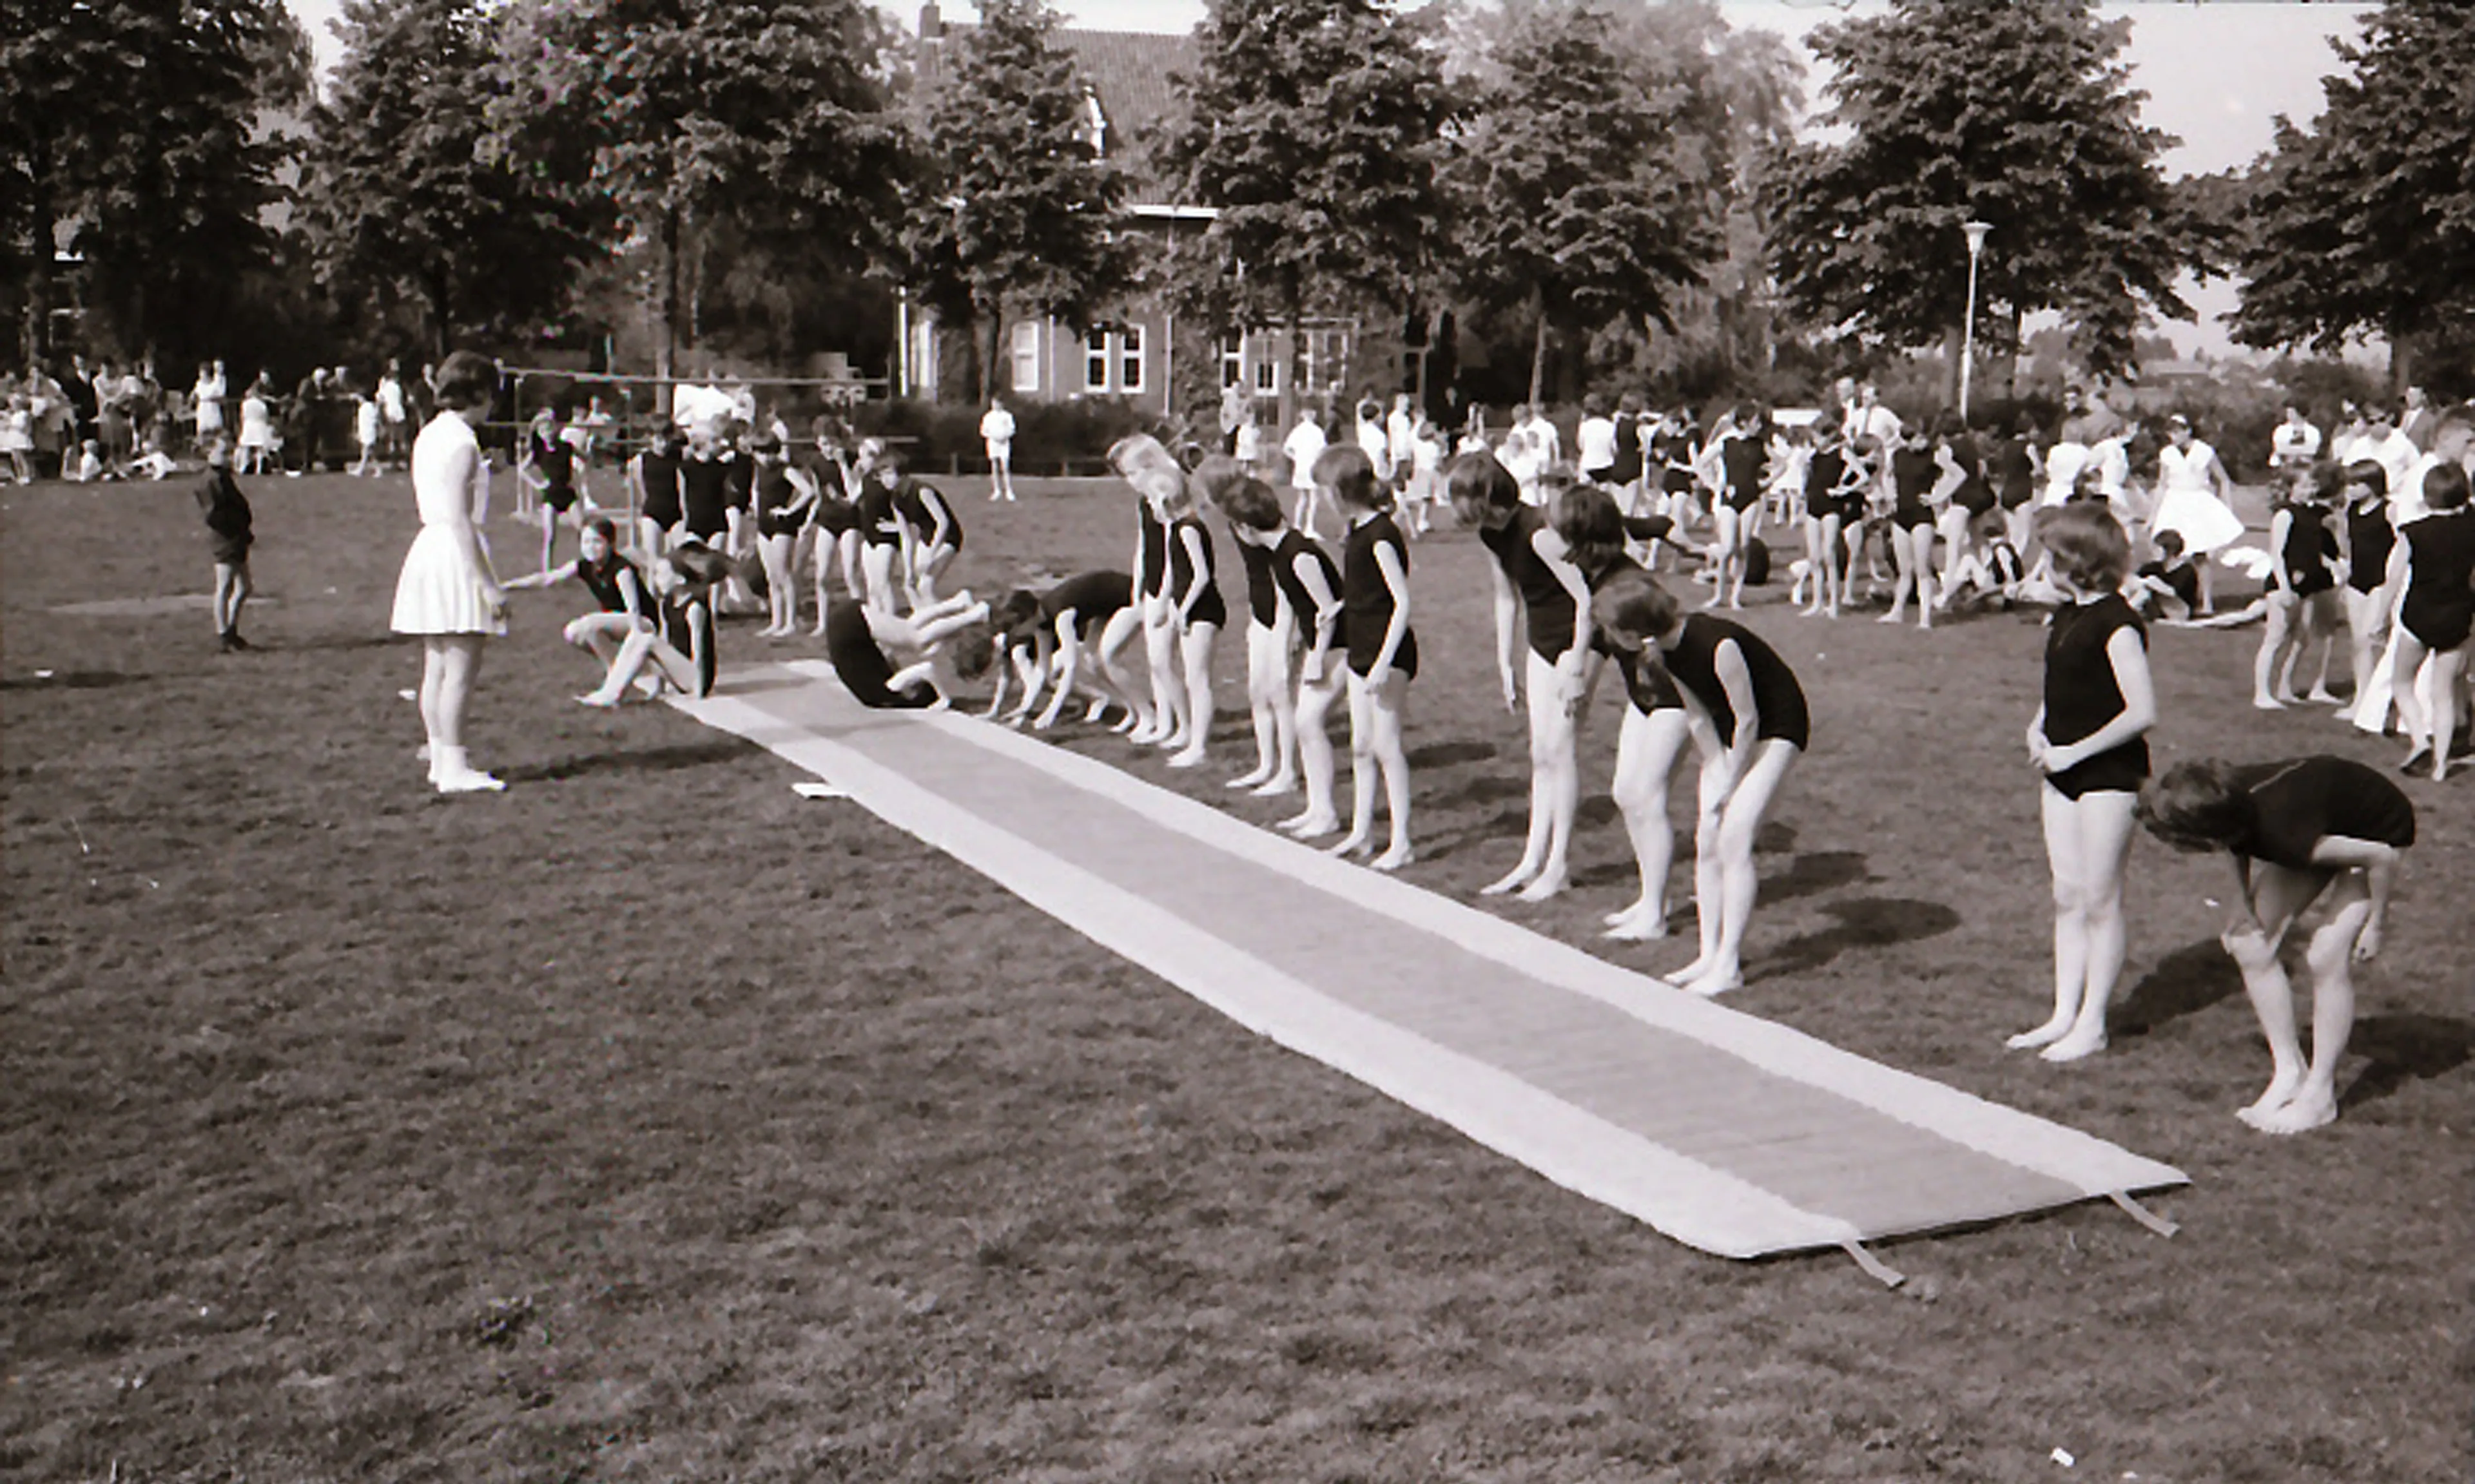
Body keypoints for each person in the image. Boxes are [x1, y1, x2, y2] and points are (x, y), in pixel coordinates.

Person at [2137, 756, 2412, 1134]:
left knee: (2324, 955)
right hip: (2315, 822)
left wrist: (2376, 924)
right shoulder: (2231, 801)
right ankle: (2290, 1072)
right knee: (2247, 942)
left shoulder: (2282, 833)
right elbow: (2235, 842)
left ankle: (2320, 1096)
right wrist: (2240, 902)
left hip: (2374, 835)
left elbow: (2380, 857)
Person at [1592, 571, 1806, 996]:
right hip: (1727, 735)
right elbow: (1697, 715)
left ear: (1634, 632)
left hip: (1777, 728)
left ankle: (1729, 964)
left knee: (1735, 836)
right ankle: (1708, 954)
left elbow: (1748, 718)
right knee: (1706, 838)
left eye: (1614, 630)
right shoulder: (1663, 653)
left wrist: (1732, 779)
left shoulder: (1716, 643)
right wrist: (1715, 768)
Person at [2014, 503, 2155, 1061]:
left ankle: (2093, 1022)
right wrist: (2038, 726)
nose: (2044, 563)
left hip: (2107, 774)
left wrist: (2074, 752)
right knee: (2066, 894)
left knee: (2100, 898)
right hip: (2062, 769)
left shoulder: (2118, 624)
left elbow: (2141, 711)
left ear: (2079, 561)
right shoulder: (2067, 615)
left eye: (2052, 554)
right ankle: (2062, 1014)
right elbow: (2061, 689)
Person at [1454, 453, 1594, 901]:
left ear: (1489, 496)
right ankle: (1532, 859)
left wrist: (1577, 659)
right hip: (1542, 641)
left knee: (1561, 748)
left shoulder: (1539, 533)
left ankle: (1560, 865)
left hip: (1581, 639)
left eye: (1463, 496)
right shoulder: (1491, 534)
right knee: (1541, 753)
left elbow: (1586, 596)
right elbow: (1506, 597)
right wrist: (1505, 661)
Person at [1558, 487, 1692, 941]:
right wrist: (1579, 671)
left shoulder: (1627, 582)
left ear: (1583, 536)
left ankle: (1655, 913)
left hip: (1674, 696)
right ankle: (1650, 896)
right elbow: (1591, 623)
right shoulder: (1597, 572)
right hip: (1644, 697)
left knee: (1645, 797)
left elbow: (1668, 642)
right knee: (1625, 792)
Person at [389, 351, 509, 794]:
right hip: (455, 549)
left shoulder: (432, 434)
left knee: (436, 664)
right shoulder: (463, 442)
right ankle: (454, 765)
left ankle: (441, 757)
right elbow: (460, 517)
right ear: (477, 394)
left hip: (430, 545)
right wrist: (488, 585)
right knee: (460, 665)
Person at [1325, 444, 1416, 871]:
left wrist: (1383, 662)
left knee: (1386, 746)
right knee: (1361, 745)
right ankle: (1362, 833)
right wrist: (1341, 608)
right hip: (1361, 647)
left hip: (1387, 651)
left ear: (1343, 491)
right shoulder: (1357, 532)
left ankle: (1402, 840)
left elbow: (1400, 601)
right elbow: (1367, 591)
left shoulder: (1381, 535)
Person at [1199, 461, 1300, 793]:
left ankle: (1287, 770)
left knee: (1280, 692)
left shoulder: (1257, 517)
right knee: (1258, 690)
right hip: (1261, 609)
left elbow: (1282, 576)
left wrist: (1286, 632)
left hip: (1282, 610)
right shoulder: (1235, 519)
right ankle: (1266, 763)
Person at [2385, 462, 2475, 781]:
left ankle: (2420, 740)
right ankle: (2440, 766)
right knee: (2444, 693)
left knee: (2402, 682)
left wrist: (2379, 617)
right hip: (2458, 614)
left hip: (2419, 613)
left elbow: (2394, 578)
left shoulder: (2414, 532)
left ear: (2427, 496)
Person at [576, 541, 728, 706]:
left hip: (695, 676)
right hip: (676, 673)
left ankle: (613, 696)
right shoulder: (667, 603)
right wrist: (659, 688)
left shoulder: (694, 608)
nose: (656, 580)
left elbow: (700, 651)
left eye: (662, 575)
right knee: (638, 637)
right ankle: (608, 691)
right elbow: (664, 644)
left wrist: (699, 690)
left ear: (679, 580)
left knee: (647, 639)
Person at [503, 516, 655, 681]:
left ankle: (618, 676)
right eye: (586, 542)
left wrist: (637, 642)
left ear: (611, 544)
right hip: (618, 621)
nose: (591, 547)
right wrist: (508, 586)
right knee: (574, 633)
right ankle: (618, 672)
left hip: (642, 622)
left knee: (589, 626)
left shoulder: (621, 570)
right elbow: (547, 579)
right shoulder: (583, 566)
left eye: (597, 542)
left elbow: (634, 608)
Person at [2253, 465, 2342, 709]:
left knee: (2301, 638)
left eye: (2312, 486)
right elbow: (2278, 553)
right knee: (2275, 637)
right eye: (2303, 486)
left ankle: (2285, 687)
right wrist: (2283, 587)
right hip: (2285, 583)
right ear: (2291, 488)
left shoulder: (2318, 514)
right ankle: (2262, 693)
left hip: (2309, 584)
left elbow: (2324, 548)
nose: (2309, 491)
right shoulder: (2285, 514)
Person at [823, 590, 992, 710]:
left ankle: (971, 612)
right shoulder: (880, 691)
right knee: (911, 631)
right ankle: (963, 607)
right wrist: (943, 699)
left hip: (849, 625)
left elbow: (926, 669)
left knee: (916, 638)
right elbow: (921, 667)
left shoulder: (886, 693)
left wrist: (943, 698)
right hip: (843, 623)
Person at [1158, 474, 1225, 767]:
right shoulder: (1177, 528)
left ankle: (1199, 746)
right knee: (1191, 676)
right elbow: (1178, 573)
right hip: (1188, 605)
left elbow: (1201, 575)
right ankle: (1193, 740)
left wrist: (1184, 610)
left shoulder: (1189, 528)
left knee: (1198, 679)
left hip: (1202, 609)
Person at [2148, 414, 2243, 615]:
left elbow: (2223, 480)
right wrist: (2153, 514)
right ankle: (2167, 601)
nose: (2173, 436)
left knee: (2200, 554)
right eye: (2170, 432)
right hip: (2174, 502)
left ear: (2188, 430)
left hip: (2198, 502)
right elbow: (2162, 484)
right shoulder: (2167, 454)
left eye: (2177, 431)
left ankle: (2206, 602)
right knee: (2167, 551)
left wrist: (2226, 506)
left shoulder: (2204, 451)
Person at [2335, 459, 2396, 726]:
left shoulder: (2389, 510)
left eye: (2355, 483)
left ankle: (2379, 698)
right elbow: (2348, 545)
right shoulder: (2351, 510)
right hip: (2357, 581)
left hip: (2380, 582)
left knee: (2374, 639)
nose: (2350, 488)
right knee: (2359, 642)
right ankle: (2361, 697)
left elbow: (2400, 546)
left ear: (2372, 484)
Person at [746, 434, 815, 637]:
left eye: (770, 452)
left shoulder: (785, 469)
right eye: (761, 453)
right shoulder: (758, 470)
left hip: (782, 527)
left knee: (784, 574)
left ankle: (791, 621)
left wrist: (789, 511)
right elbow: (756, 492)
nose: (766, 457)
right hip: (763, 526)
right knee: (771, 577)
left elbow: (809, 491)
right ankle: (776, 621)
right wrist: (755, 510)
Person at [194, 439, 255, 651]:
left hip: (236, 536)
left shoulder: (222, 477)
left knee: (244, 587)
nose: (228, 456)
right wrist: (234, 529)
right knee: (225, 586)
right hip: (225, 537)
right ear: (209, 454)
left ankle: (231, 630)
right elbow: (214, 514)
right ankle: (223, 633)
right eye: (222, 452)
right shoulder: (210, 481)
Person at [518, 404, 581, 576]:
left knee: (583, 529)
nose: (547, 433)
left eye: (549, 429)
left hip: (567, 493)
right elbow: (522, 470)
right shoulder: (538, 452)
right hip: (551, 495)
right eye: (543, 430)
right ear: (539, 433)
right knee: (550, 536)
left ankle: (589, 565)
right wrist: (537, 484)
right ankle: (547, 571)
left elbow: (584, 457)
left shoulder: (566, 447)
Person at [895, 470, 963, 606]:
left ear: (903, 475)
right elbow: (906, 537)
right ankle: (926, 619)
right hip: (926, 537)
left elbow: (943, 523)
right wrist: (908, 570)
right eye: (880, 476)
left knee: (925, 585)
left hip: (947, 537)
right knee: (911, 585)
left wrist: (932, 555)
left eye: (888, 474)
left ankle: (958, 607)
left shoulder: (923, 491)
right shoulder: (896, 499)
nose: (884, 480)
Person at [1283, 408, 1329, 535]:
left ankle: (1297, 525)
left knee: (1302, 498)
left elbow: (1286, 449)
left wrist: (1296, 458)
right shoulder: (1317, 431)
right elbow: (1323, 450)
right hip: (1312, 467)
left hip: (1300, 467)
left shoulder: (1297, 431)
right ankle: (1309, 527)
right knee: (1314, 498)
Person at [237, 376, 275, 476]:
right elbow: (265, 417)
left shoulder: (245, 404)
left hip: (249, 425)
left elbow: (243, 416)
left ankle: (242, 467)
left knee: (245, 448)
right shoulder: (262, 405)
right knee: (260, 449)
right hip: (259, 426)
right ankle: (259, 469)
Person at [980, 396, 1016, 501]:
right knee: (994, 467)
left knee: (1005, 467)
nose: (996, 405)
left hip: (1004, 443)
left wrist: (1004, 436)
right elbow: (983, 431)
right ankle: (996, 490)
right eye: (994, 403)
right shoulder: (988, 417)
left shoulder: (1007, 416)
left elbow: (1012, 429)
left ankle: (1009, 491)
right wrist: (993, 436)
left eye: (998, 403)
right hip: (993, 443)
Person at [2269, 405, 2322, 474]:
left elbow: (2312, 450)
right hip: (2284, 464)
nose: (2289, 415)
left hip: (2306, 465)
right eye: (2288, 413)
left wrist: (2293, 450)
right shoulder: (2281, 430)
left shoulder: (2313, 431)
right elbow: (2280, 449)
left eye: (2291, 413)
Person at [352, 387, 382, 477]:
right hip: (365, 431)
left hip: (369, 432)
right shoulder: (366, 407)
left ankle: (362, 469)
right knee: (369, 453)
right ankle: (376, 469)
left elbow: (373, 420)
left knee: (366, 452)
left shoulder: (368, 407)